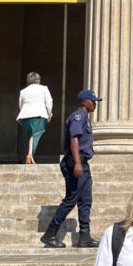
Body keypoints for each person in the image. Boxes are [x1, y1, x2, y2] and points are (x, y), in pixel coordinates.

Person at [40, 89, 102, 248]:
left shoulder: (85, 118)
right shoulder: (78, 117)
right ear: (84, 102)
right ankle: (50, 234)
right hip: (75, 162)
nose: (95, 104)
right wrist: (77, 163)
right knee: (71, 199)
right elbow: (74, 140)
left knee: (85, 200)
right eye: (93, 101)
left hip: (83, 163)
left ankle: (84, 236)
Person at [16, 71, 54, 164]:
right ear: (38, 80)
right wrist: (49, 114)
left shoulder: (23, 91)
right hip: (38, 115)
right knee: (37, 133)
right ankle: (30, 155)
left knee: (31, 134)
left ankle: (29, 154)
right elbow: (49, 101)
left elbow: (20, 105)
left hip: (24, 117)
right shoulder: (44, 88)